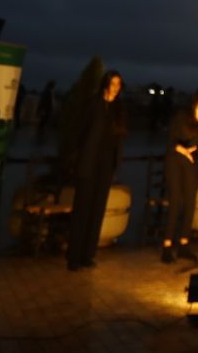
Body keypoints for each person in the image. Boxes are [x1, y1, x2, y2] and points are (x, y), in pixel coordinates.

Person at [66, 70, 126, 271]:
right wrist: (76, 158)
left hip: (106, 165)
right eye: (113, 83)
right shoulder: (93, 105)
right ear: (106, 84)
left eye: (119, 84)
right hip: (88, 162)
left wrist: (116, 163)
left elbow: (119, 138)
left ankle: (88, 255)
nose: (116, 88)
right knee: (82, 209)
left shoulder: (118, 109)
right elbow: (79, 131)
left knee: (97, 210)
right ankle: (74, 256)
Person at [161, 86, 198, 263]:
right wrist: (182, 150)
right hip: (175, 160)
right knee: (176, 201)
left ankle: (184, 244)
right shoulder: (183, 115)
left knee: (190, 202)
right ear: (197, 98)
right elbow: (171, 139)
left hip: (191, 162)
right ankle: (167, 246)